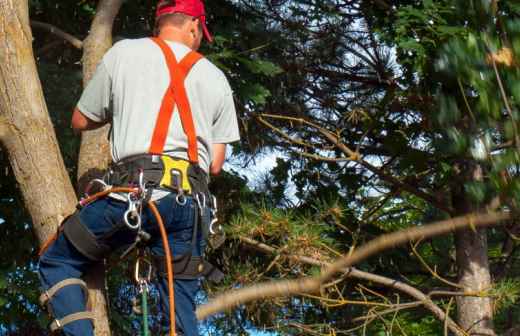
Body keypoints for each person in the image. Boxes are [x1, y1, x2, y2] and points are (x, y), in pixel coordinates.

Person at [38, 0, 240, 335]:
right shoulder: (217, 78)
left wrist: (127, 106)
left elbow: (80, 119)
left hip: (131, 195)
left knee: (58, 261)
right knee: (179, 314)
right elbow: (216, 164)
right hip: (189, 208)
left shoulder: (124, 53)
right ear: (193, 25)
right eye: (200, 32)